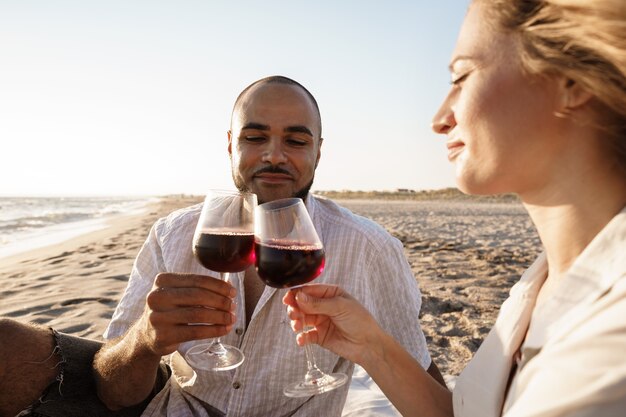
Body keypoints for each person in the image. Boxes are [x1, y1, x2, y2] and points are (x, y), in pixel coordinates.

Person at [0, 75, 443, 417]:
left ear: (318, 153)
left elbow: (424, 384)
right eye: (254, 137)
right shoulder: (176, 234)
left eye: (295, 139)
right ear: (231, 145)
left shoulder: (368, 247)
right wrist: (145, 342)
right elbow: (114, 392)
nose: (274, 154)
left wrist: (373, 348)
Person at [284, 1, 626, 416]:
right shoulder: (541, 283)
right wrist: (371, 345)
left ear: (571, 78)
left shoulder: (612, 336)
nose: (440, 118)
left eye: (461, 76)